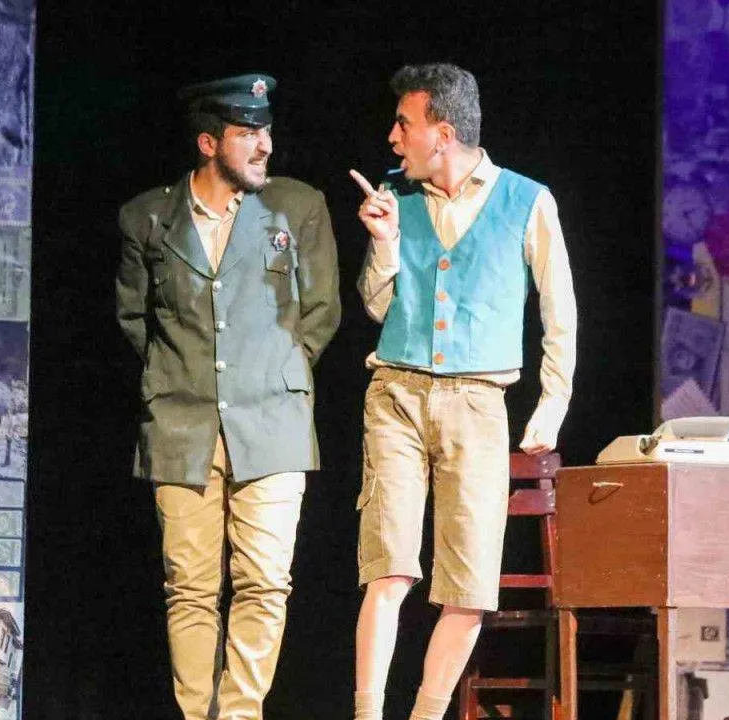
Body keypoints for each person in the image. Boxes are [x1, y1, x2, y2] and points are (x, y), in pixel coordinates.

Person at [350, 63, 577, 720]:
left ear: (443, 133)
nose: (393, 137)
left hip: (479, 403)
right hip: (397, 394)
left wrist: (552, 403)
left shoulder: (527, 201)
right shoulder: (397, 197)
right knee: (389, 567)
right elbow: (376, 307)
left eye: (405, 123)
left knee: (469, 585)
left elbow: (559, 311)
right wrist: (384, 244)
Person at [115, 73, 341, 720]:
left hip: (273, 421)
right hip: (181, 424)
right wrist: (180, 378)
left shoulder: (297, 207)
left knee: (265, 581)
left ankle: (241, 715)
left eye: (267, 130)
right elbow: (136, 320)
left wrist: (273, 373)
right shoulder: (147, 217)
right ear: (209, 143)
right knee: (189, 587)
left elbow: (321, 312)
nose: (265, 144)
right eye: (248, 133)